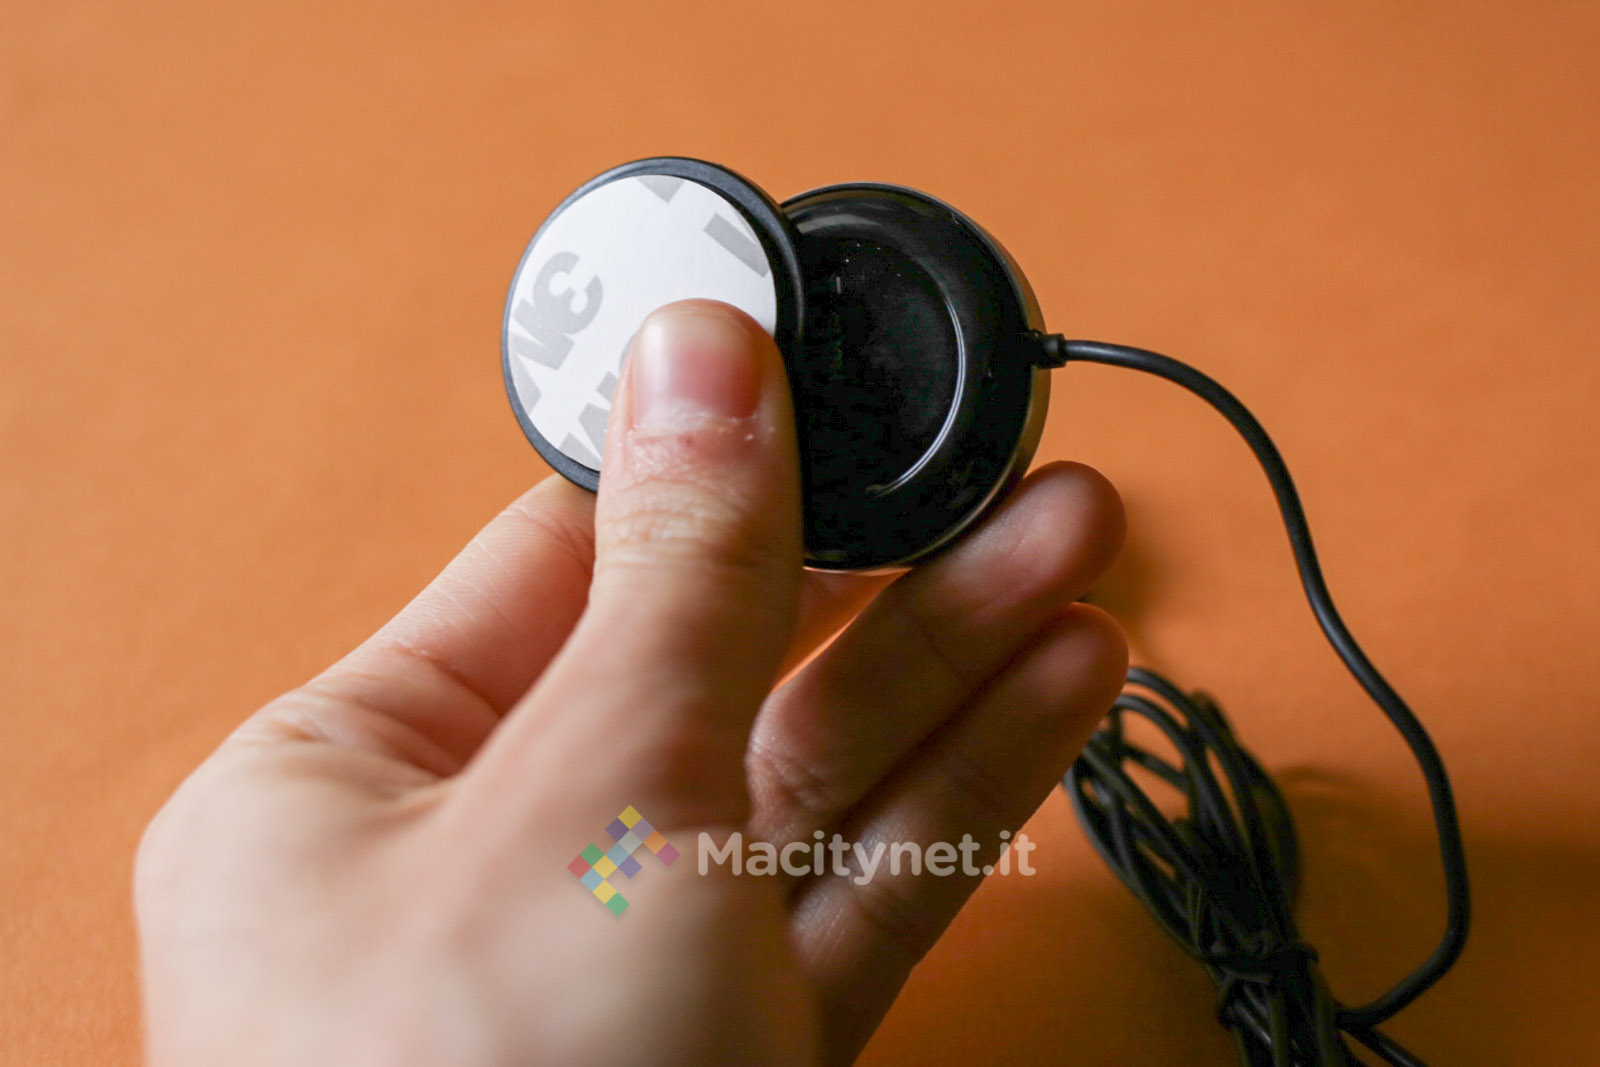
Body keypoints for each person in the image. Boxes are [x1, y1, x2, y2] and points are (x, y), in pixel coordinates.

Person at [135, 299, 1128, 1065]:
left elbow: (603, 881)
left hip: (635, 893)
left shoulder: (609, 865)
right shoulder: (622, 854)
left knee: (624, 858)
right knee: (649, 842)